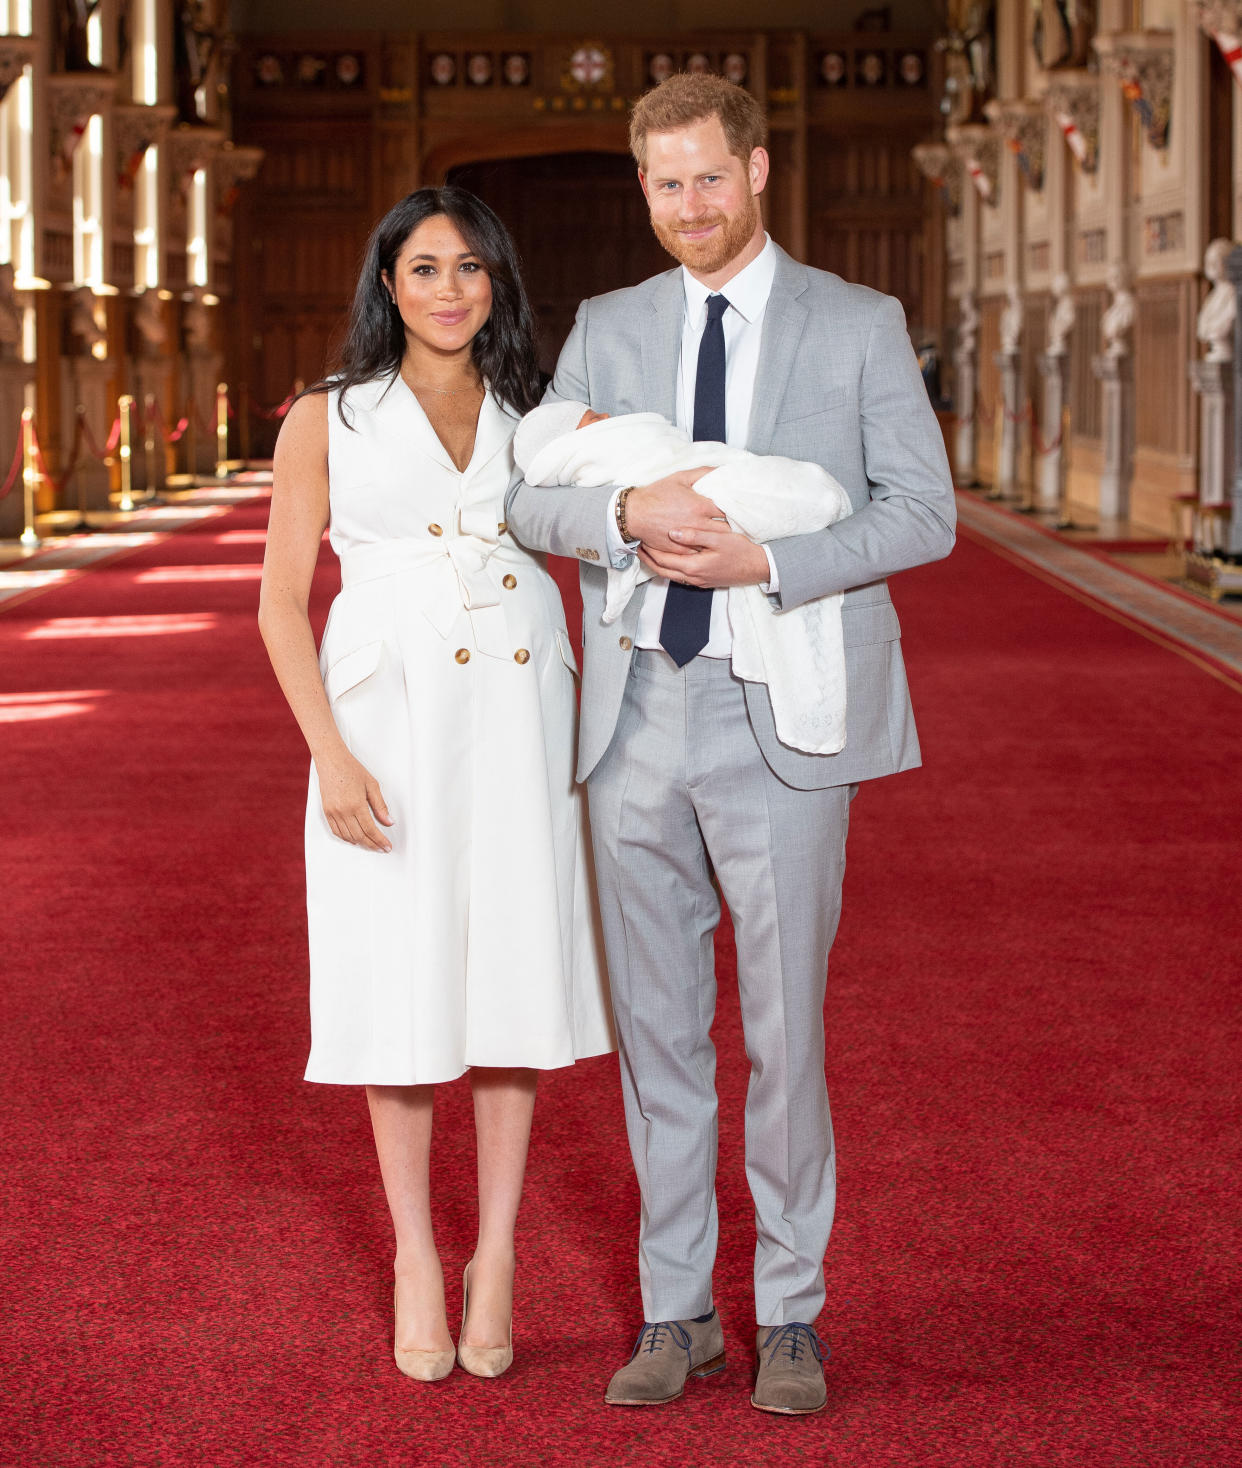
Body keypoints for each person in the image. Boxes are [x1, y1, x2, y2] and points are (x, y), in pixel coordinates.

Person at [505, 73, 956, 1416]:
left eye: (708, 177)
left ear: (756, 172)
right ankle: (675, 1308)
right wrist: (620, 510)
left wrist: (767, 553)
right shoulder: (607, 324)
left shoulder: (855, 323)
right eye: (663, 184)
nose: (687, 206)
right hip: (635, 711)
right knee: (656, 1038)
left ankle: (793, 1313)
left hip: (781, 713)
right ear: (642, 191)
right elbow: (533, 496)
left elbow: (921, 515)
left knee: (781, 1033)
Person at [258, 187, 614, 1386]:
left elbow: (614, 513)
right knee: (401, 983)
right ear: (388, 284)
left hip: (521, 712)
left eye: (471, 268)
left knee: (512, 976)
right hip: (388, 720)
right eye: (425, 267)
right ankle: (417, 1249)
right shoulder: (327, 416)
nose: (450, 289)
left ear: (499, 285)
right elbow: (278, 602)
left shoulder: (542, 415)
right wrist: (330, 754)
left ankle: (497, 1254)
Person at [514, 400, 853, 754]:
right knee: (771, 496)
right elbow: (523, 505)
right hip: (635, 685)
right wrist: (628, 513)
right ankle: (811, 498)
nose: (610, 420)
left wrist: (765, 563)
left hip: (750, 660)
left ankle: (811, 497)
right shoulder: (587, 366)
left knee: (772, 490)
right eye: (597, 420)